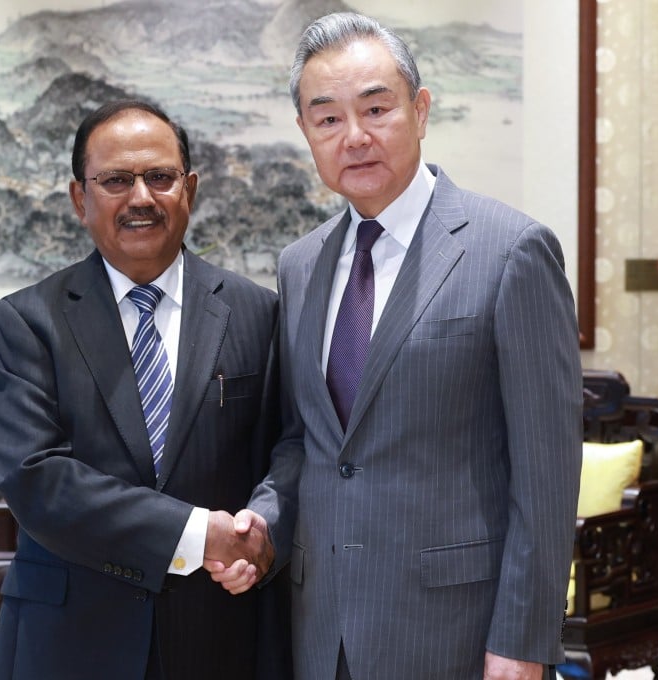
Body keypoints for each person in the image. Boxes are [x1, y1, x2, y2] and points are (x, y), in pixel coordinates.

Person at [209, 12, 583, 680]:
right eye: (327, 118)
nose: (354, 136)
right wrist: (262, 524)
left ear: (421, 109)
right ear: (306, 132)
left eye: (376, 109)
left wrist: (524, 639)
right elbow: (305, 443)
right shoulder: (300, 265)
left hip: (458, 631)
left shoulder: (511, 252)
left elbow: (546, 472)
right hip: (322, 629)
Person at [0, 99, 288, 680]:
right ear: (80, 199)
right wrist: (198, 535)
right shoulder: (28, 321)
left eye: (160, 177)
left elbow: (290, 447)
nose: (141, 197)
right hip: (72, 639)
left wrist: (263, 532)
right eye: (116, 180)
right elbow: (36, 478)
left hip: (220, 630)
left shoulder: (258, 312)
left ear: (189, 189)